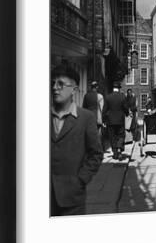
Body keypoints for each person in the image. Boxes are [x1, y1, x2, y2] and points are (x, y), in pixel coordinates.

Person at [51, 63, 103, 216]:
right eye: (53, 83)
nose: (55, 87)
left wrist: (80, 180)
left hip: (72, 197)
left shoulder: (85, 118)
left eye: (60, 84)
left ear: (74, 90)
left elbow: (96, 154)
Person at [102, 82, 129, 160]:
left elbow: (104, 110)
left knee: (112, 136)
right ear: (119, 88)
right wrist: (127, 113)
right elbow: (125, 108)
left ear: (113, 88)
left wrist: (104, 120)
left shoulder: (108, 97)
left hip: (110, 121)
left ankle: (115, 153)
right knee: (121, 135)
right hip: (120, 120)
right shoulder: (122, 97)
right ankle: (120, 148)